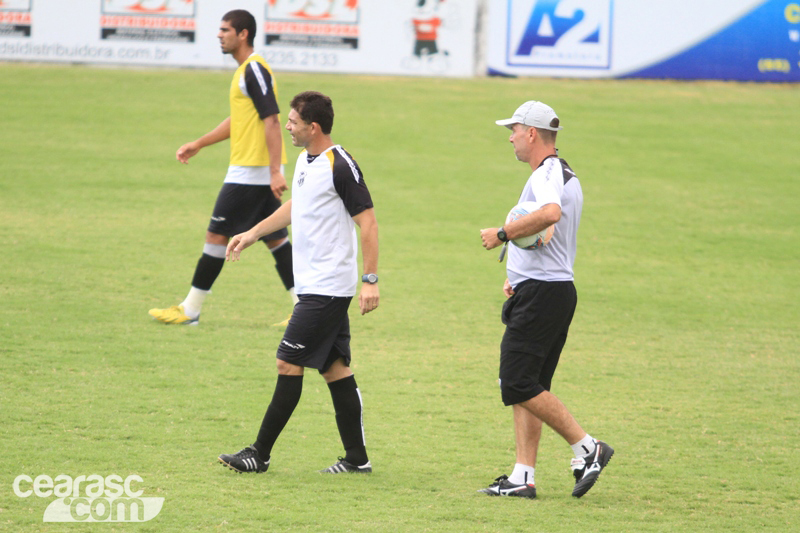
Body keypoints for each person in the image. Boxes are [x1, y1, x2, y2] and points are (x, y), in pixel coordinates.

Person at [218, 91, 380, 475]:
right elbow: (299, 206)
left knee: (287, 362)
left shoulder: (341, 165)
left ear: (314, 127)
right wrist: (253, 232)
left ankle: (260, 453)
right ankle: (357, 459)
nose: (286, 126)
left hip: (327, 287)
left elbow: (369, 222)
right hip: (314, 285)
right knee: (335, 369)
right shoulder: (308, 161)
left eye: (293, 122)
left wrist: (370, 280)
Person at [478, 101, 613, 499]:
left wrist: (503, 234)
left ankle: (588, 449)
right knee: (531, 385)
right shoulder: (560, 172)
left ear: (532, 133)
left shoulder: (548, 173)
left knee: (516, 380)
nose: (511, 137)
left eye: (515, 130)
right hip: (544, 289)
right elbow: (546, 234)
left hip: (544, 294)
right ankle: (523, 477)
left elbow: (550, 215)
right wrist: (515, 271)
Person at [148, 9, 295, 327]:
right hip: (254, 169)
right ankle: (304, 309)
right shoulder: (246, 70)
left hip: (252, 171)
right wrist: (200, 143)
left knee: (216, 235)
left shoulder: (254, 69)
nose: (219, 34)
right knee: (275, 238)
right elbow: (241, 119)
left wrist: (273, 171)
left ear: (243, 34)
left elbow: (271, 118)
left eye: (225, 29)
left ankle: (190, 310)